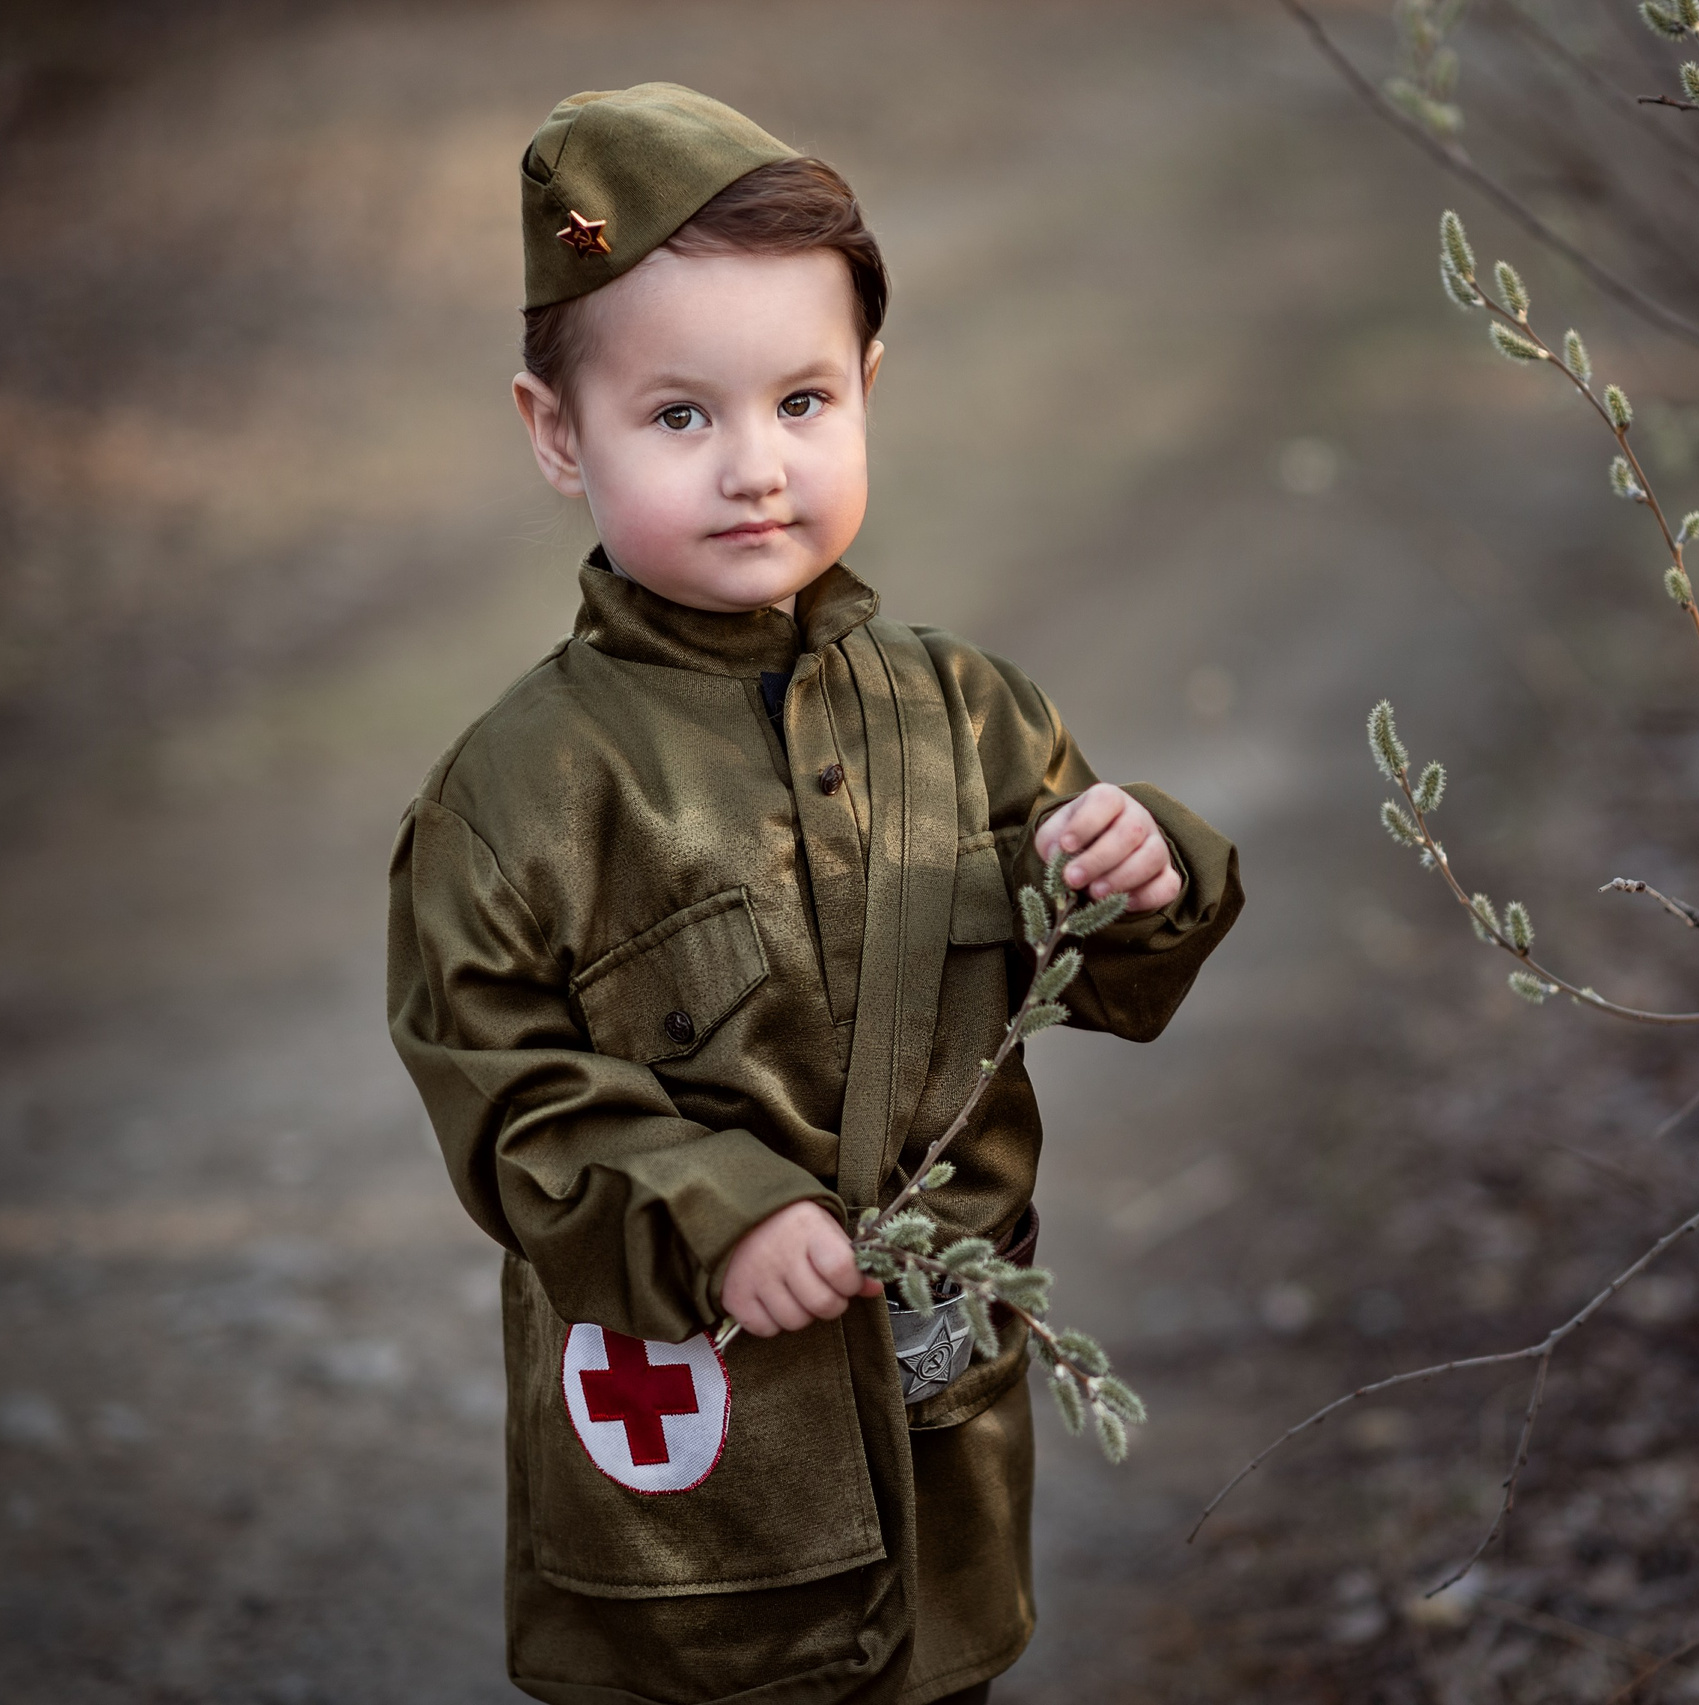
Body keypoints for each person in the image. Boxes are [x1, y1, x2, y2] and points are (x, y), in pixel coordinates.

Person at [385, 83, 1242, 1705]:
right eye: (681, 417)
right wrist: (716, 1203)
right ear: (558, 432)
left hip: (938, 1464)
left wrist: (1152, 865)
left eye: (801, 399)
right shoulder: (516, 793)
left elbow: (1117, 970)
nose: (755, 466)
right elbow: (504, 1099)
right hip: (694, 1507)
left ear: (867, 389)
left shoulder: (972, 713)